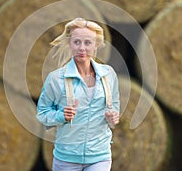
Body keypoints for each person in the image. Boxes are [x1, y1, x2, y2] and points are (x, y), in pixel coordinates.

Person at [36, 17, 120, 171]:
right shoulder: (55, 79)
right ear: (70, 44)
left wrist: (113, 117)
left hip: (100, 156)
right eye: (77, 42)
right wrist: (62, 116)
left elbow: (114, 109)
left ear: (96, 46)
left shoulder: (109, 74)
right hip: (66, 159)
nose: (82, 48)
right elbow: (42, 113)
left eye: (87, 43)